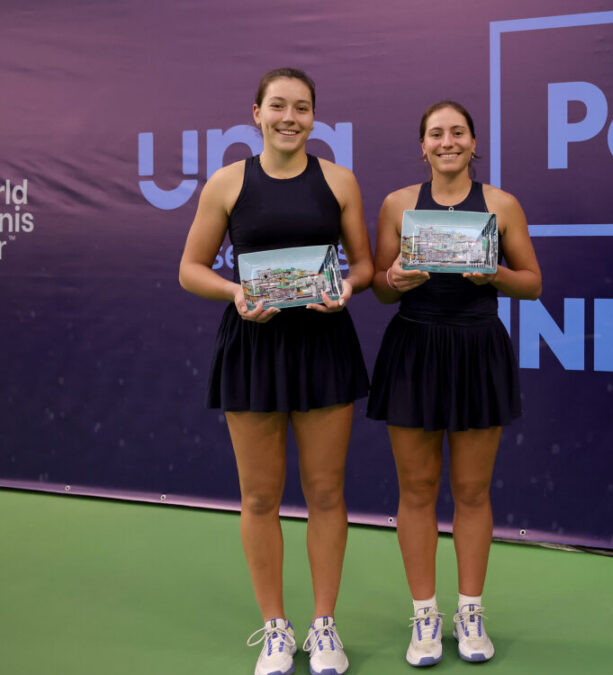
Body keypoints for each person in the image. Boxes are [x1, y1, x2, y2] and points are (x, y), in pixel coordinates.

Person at [178, 67, 372, 675]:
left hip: (324, 346)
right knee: (260, 497)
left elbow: (363, 265)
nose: (291, 117)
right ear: (256, 112)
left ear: (316, 117)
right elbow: (190, 268)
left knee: (326, 493)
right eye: (279, 106)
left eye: (303, 108)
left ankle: (323, 628)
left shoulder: (339, 181)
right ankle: (275, 630)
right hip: (253, 347)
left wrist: (344, 288)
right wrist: (235, 292)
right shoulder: (227, 183)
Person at [366, 100, 541, 666]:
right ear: (422, 146)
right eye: (436, 134)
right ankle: (425, 615)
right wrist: (393, 276)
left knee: (471, 492)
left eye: (457, 133)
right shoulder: (397, 204)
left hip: (477, 349)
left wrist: (497, 275)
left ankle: (470, 612)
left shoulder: (500, 205)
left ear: (472, 143)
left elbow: (533, 284)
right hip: (414, 348)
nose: (447, 142)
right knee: (416, 491)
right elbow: (382, 287)